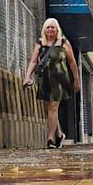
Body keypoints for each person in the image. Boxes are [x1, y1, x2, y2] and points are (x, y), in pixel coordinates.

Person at [23, 18, 80, 148]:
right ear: (44, 29)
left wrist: (76, 80)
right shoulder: (40, 43)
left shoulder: (63, 42)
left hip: (59, 79)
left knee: (53, 107)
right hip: (45, 79)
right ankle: (59, 134)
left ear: (57, 29)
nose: (50, 30)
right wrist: (27, 76)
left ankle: (50, 139)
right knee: (47, 110)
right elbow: (33, 61)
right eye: (48, 27)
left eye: (53, 27)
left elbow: (72, 62)